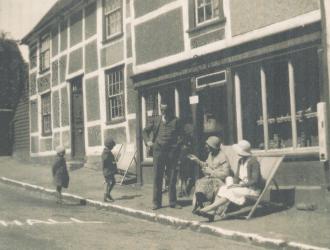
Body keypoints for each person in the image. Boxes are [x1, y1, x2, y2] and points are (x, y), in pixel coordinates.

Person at [197, 140, 262, 222]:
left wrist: (239, 185)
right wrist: (233, 184)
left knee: (230, 191)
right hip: (242, 187)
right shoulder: (241, 160)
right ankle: (212, 212)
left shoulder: (253, 162)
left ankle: (207, 209)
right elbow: (237, 177)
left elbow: (255, 180)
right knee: (224, 188)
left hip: (252, 189)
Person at [142, 103, 183, 210]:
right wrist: (148, 142)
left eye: (165, 110)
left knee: (172, 177)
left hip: (171, 153)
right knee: (157, 177)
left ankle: (173, 202)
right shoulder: (156, 120)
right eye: (162, 110)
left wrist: (176, 146)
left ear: (170, 110)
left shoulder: (176, 121)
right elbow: (145, 131)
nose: (164, 112)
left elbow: (181, 136)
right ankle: (156, 203)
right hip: (158, 152)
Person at [187, 136, 230, 214]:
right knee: (199, 182)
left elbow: (226, 174)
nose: (206, 147)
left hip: (220, 181)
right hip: (212, 179)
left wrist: (211, 172)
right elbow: (206, 165)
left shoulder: (223, 157)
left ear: (213, 146)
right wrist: (197, 160)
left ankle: (207, 207)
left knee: (204, 183)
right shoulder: (211, 154)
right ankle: (200, 204)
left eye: (208, 145)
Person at [102, 137, 118, 202]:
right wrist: (112, 162)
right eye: (112, 146)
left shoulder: (107, 151)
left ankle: (107, 194)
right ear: (110, 145)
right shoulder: (106, 152)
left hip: (108, 171)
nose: (113, 148)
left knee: (111, 182)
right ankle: (106, 195)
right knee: (111, 182)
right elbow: (105, 160)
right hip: (108, 171)